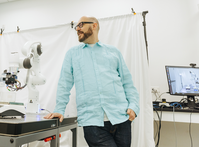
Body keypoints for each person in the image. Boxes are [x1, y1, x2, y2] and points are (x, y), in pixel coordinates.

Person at [44, 16, 139, 147]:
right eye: (76, 27)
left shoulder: (113, 52)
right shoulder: (72, 54)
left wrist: (133, 106)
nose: (77, 29)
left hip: (121, 118)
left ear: (94, 26)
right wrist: (59, 109)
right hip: (92, 122)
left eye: (80, 25)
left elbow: (127, 82)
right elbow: (64, 84)